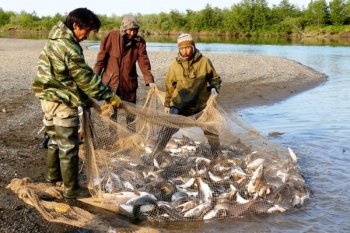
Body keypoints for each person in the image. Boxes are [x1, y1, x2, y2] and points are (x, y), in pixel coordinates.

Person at [32, 8, 122, 199]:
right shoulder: (68, 46)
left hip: (47, 97)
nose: (87, 35)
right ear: (75, 25)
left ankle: (53, 176)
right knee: (69, 145)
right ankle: (72, 189)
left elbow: (67, 75)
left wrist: (84, 96)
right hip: (62, 100)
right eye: (86, 30)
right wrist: (109, 95)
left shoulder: (54, 39)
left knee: (54, 139)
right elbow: (86, 78)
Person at [152, 33, 222, 158]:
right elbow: (169, 85)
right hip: (180, 104)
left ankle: (217, 153)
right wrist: (168, 104)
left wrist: (214, 88)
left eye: (188, 47)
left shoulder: (204, 61)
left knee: (211, 130)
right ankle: (155, 153)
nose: (185, 51)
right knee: (167, 128)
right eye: (182, 48)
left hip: (201, 104)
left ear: (193, 46)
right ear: (179, 49)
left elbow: (215, 79)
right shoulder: (175, 65)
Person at [93, 16, 155, 129]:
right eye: (130, 30)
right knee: (112, 112)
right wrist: (94, 76)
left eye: (135, 30)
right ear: (123, 29)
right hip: (111, 83)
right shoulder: (111, 37)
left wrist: (149, 80)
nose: (132, 33)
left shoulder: (139, 42)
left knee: (130, 112)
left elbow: (144, 62)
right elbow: (101, 59)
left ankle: (131, 134)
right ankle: (113, 134)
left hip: (129, 83)